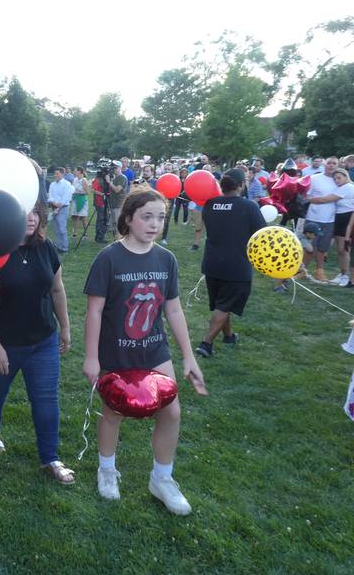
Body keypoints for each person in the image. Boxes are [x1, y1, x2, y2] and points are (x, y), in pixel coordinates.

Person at [82, 188, 207, 515]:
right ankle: (107, 470)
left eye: (161, 217)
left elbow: (174, 310)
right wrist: (91, 357)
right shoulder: (108, 258)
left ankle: (162, 479)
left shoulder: (166, 259)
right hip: (116, 352)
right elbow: (94, 311)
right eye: (147, 216)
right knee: (114, 413)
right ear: (128, 219)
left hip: (154, 350)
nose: (155, 224)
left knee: (172, 412)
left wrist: (189, 356)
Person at [0, 202, 74, 484]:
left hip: (43, 339)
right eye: (21, 210)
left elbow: (57, 289)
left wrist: (65, 327)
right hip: (4, 342)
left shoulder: (46, 248)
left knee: (46, 399)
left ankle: (50, 458)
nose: (30, 218)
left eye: (34, 211)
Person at [194, 169, 266, 358]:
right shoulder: (249, 207)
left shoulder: (210, 204)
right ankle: (206, 343)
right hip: (236, 266)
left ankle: (229, 336)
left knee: (223, 304)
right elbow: (263, 235)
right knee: (224, 306)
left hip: (212, 263)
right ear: (242, 185)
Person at [306, 166, 354, 286]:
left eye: (339, 178)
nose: (337, 180)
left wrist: (308, 199)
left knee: (343, 250)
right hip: (339, 218)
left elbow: (326, 199)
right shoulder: (343, 187)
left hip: (346, 219)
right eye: (335, 179)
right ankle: (343, 274)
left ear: (346, 177)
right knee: (340, 250)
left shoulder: (347, 187)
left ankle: (345, 276)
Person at [305, 157, 340, 281]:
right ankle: (302, 270)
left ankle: (320, 272)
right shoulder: (314, 178)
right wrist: (317, 201)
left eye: (334, 164)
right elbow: (306, 196)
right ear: (324, 165)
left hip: (330, 219)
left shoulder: (339, 181)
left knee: (323, 247)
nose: (331, 165)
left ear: (338, 166)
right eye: (329, 163)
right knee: (309, 246)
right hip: (313, 217)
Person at [47, 168, 74, 253]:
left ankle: (64, 247)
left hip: (63, 208)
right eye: (55, 174)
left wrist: (59, 207)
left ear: (62, 174)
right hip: (54, 207)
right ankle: (58, 246)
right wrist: (54, 203)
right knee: (56, 228)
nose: (55, 175)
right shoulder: (52, 185)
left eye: (57, 174)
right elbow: (50, 196)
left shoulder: (67, 184)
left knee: (62, 229)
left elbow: (66, 197)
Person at [108, 163, 127, 238]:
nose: (114, 169)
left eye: (115, 167)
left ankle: (120, 239)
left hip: (119, 203)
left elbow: (117, 190)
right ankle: (116, 239)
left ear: (120, 168)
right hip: (114, 203)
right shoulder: (115, 177)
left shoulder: (121, 177)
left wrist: (109, 182)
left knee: (118, 222)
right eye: (113, 168)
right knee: (114, 223)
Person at [70, 166, 89, 237]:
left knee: (83, 217)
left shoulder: (83, 180)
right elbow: (72, 189)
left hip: (82, 200)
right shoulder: (75, 179)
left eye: (75, 170)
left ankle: (85, 233)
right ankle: (74, 233)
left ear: (79, 171)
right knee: (75, 216)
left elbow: (87, 192)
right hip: (75, 199)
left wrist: (78, 192)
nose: (74, 172)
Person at [92, 172, 109, 243]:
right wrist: (102, 194)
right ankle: (99, 237)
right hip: (99, 202)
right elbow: (93, 190)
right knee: (101, 220)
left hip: (104, 202)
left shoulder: (105, 179)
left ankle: (101, 236)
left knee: (105, 219)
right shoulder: (97, 179)